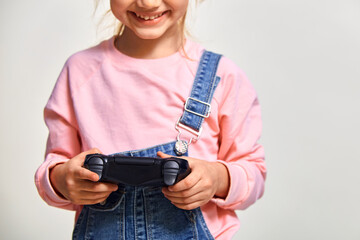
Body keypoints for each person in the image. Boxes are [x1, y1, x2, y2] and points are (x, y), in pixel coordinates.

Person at [35, 0, 267, 239]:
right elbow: (55, 167)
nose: (148, 2)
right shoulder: (79, 71)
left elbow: (254, 174)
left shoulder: (223, 76)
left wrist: (218, 178)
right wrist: (62, 180)